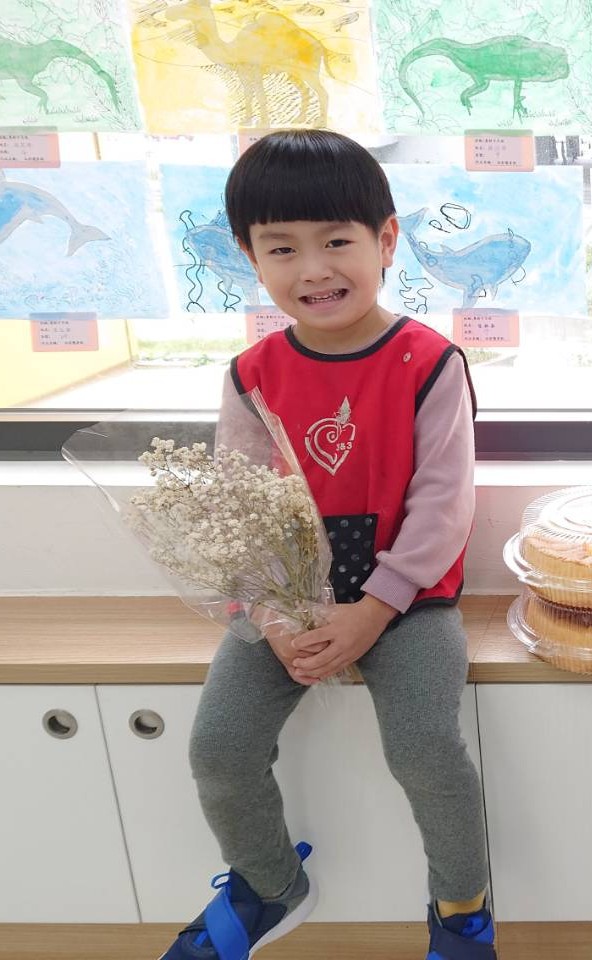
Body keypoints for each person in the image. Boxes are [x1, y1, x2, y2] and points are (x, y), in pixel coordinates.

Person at [161, 130, 495, 960]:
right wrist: (275, 619)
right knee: (217, 749)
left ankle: (462, 911)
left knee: (425, 750)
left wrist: (374, 610)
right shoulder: (249, 374)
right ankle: (270, 885)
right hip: (282, 603)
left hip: (408, 603)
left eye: (337, 241)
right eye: (282, 248)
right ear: (250, 257)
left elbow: (443, 506)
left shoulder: (428, 362)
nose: (313, 269)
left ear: (385, 241)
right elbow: (242, 510)